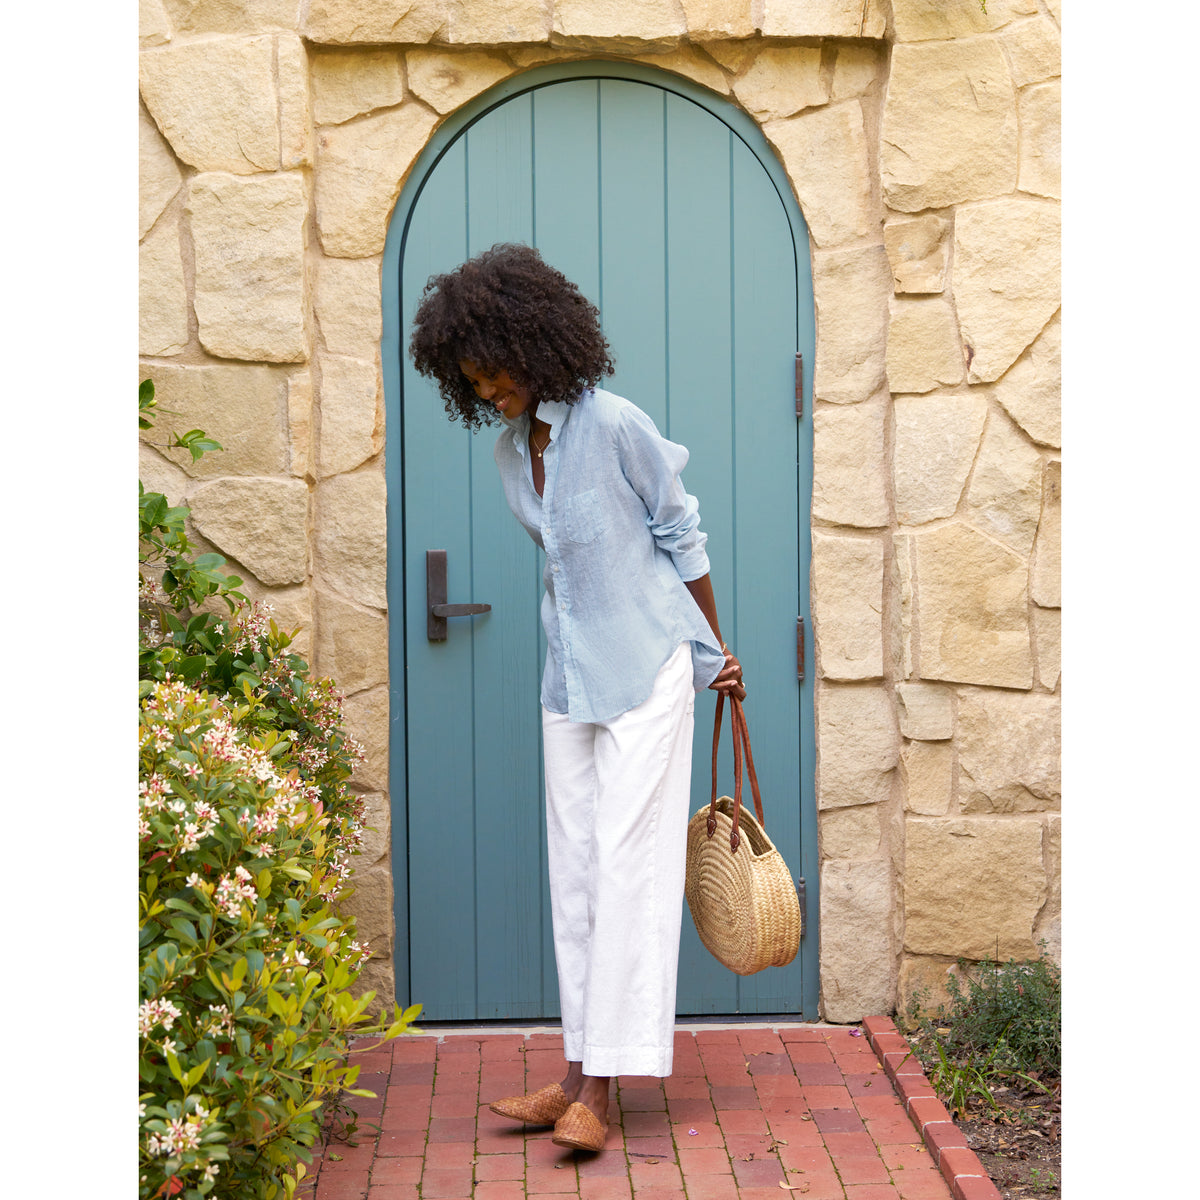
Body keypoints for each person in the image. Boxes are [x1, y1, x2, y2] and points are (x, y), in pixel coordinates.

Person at [409, 242, 744, 1153]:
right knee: (577, 873)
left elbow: (681, 533)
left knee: (630, 868)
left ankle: (606, 1085)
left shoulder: (617, 423)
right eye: (471, 381)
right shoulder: (514, 454)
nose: (487, 393)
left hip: (648, 671)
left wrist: (715, 649)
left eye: (495, 374)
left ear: (535, 343)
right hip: (568, 678)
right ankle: (572, 1072)